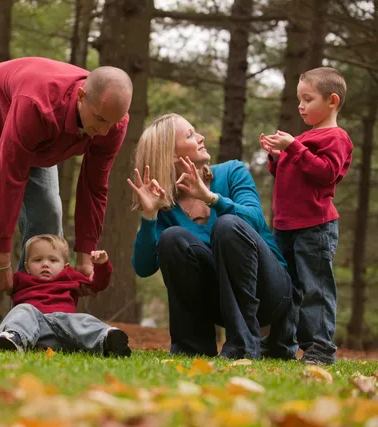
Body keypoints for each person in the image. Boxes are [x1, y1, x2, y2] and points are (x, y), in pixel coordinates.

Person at [0, 57, 133, 347]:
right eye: (99, 120)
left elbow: (94, 187)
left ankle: (32, 318)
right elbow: (9, 176)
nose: (105, 131)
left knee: (48, 215)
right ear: (82, 96)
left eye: (113, 123)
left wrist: (84, 256)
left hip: (37, 139)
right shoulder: (39, 103)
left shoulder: (111, 122)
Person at [127, 113, 296, 360]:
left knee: (228, 225)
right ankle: (191, 348)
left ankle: (242, 346)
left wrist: (210, 198)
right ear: (173, 155)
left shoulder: (232, 172)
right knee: (172, 238)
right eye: (190, 135)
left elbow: (254, 220)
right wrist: (150, 215)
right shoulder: (166, 206)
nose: (201, 137)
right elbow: (143, 268)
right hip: (219, 303)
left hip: (269, 291)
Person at [260, 67, 353, 365]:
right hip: (285, 225)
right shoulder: (302, 138)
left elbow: (326, 174)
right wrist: (276, 157)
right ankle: (281, 343)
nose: (300, 105)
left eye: (308, 99)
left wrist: (293, 147)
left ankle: (321, 348)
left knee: (316, 288)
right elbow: (290, 173)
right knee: (287, 288)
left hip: (316, 226)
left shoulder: (336, 138)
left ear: (332, 101)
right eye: (299, 99)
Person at [0, 234, 131, 357]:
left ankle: (107, 338)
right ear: (27, 266)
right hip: (33, 330)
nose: (45, 264)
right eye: (38, 260)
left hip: (65, 328)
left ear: (65, 265)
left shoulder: (70, 276)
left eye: (53, 260)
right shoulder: (20, 279)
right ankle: (13, 338)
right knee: (23, 310)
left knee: (82, 320)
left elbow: (97, 284)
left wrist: (102, 265)